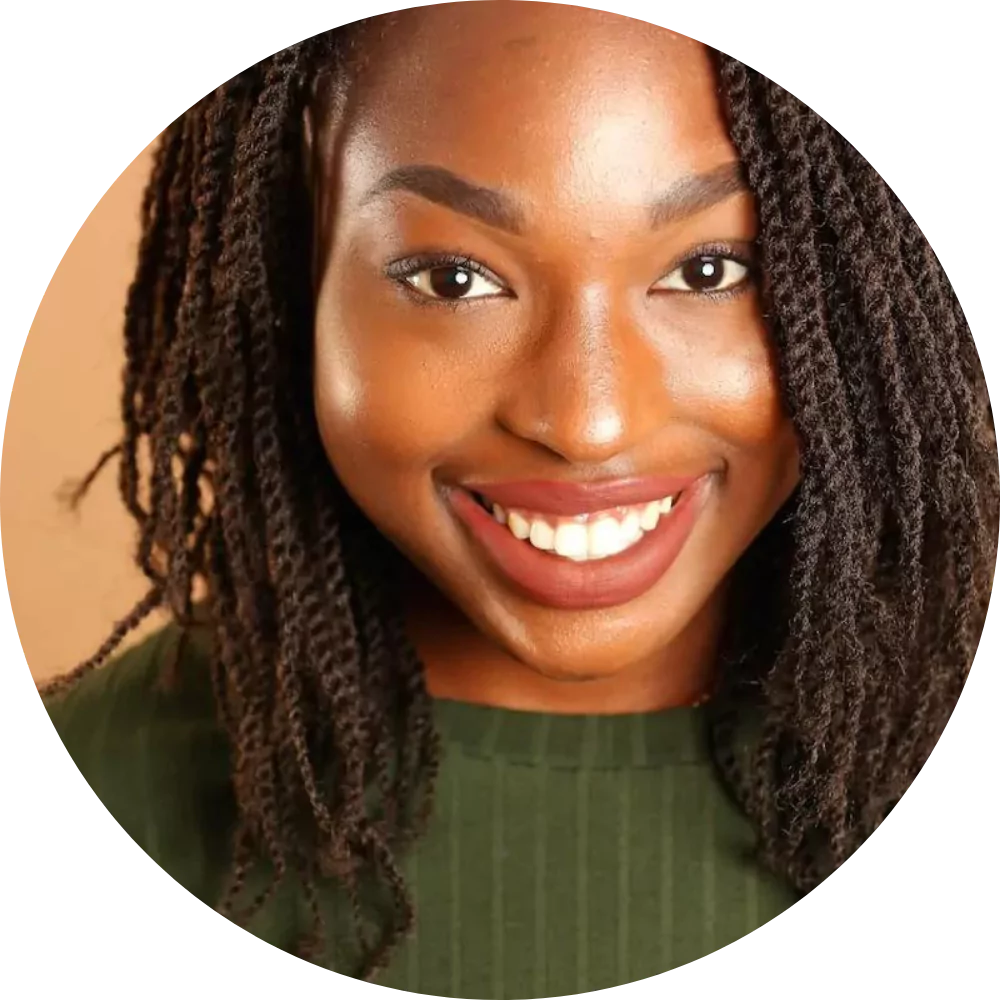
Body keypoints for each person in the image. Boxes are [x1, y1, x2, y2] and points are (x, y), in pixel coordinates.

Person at [34, 3, 1000, 997]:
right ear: (295, 284)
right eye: (454, 278)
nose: (586, 420)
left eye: (709, 270)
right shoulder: (113, 783)